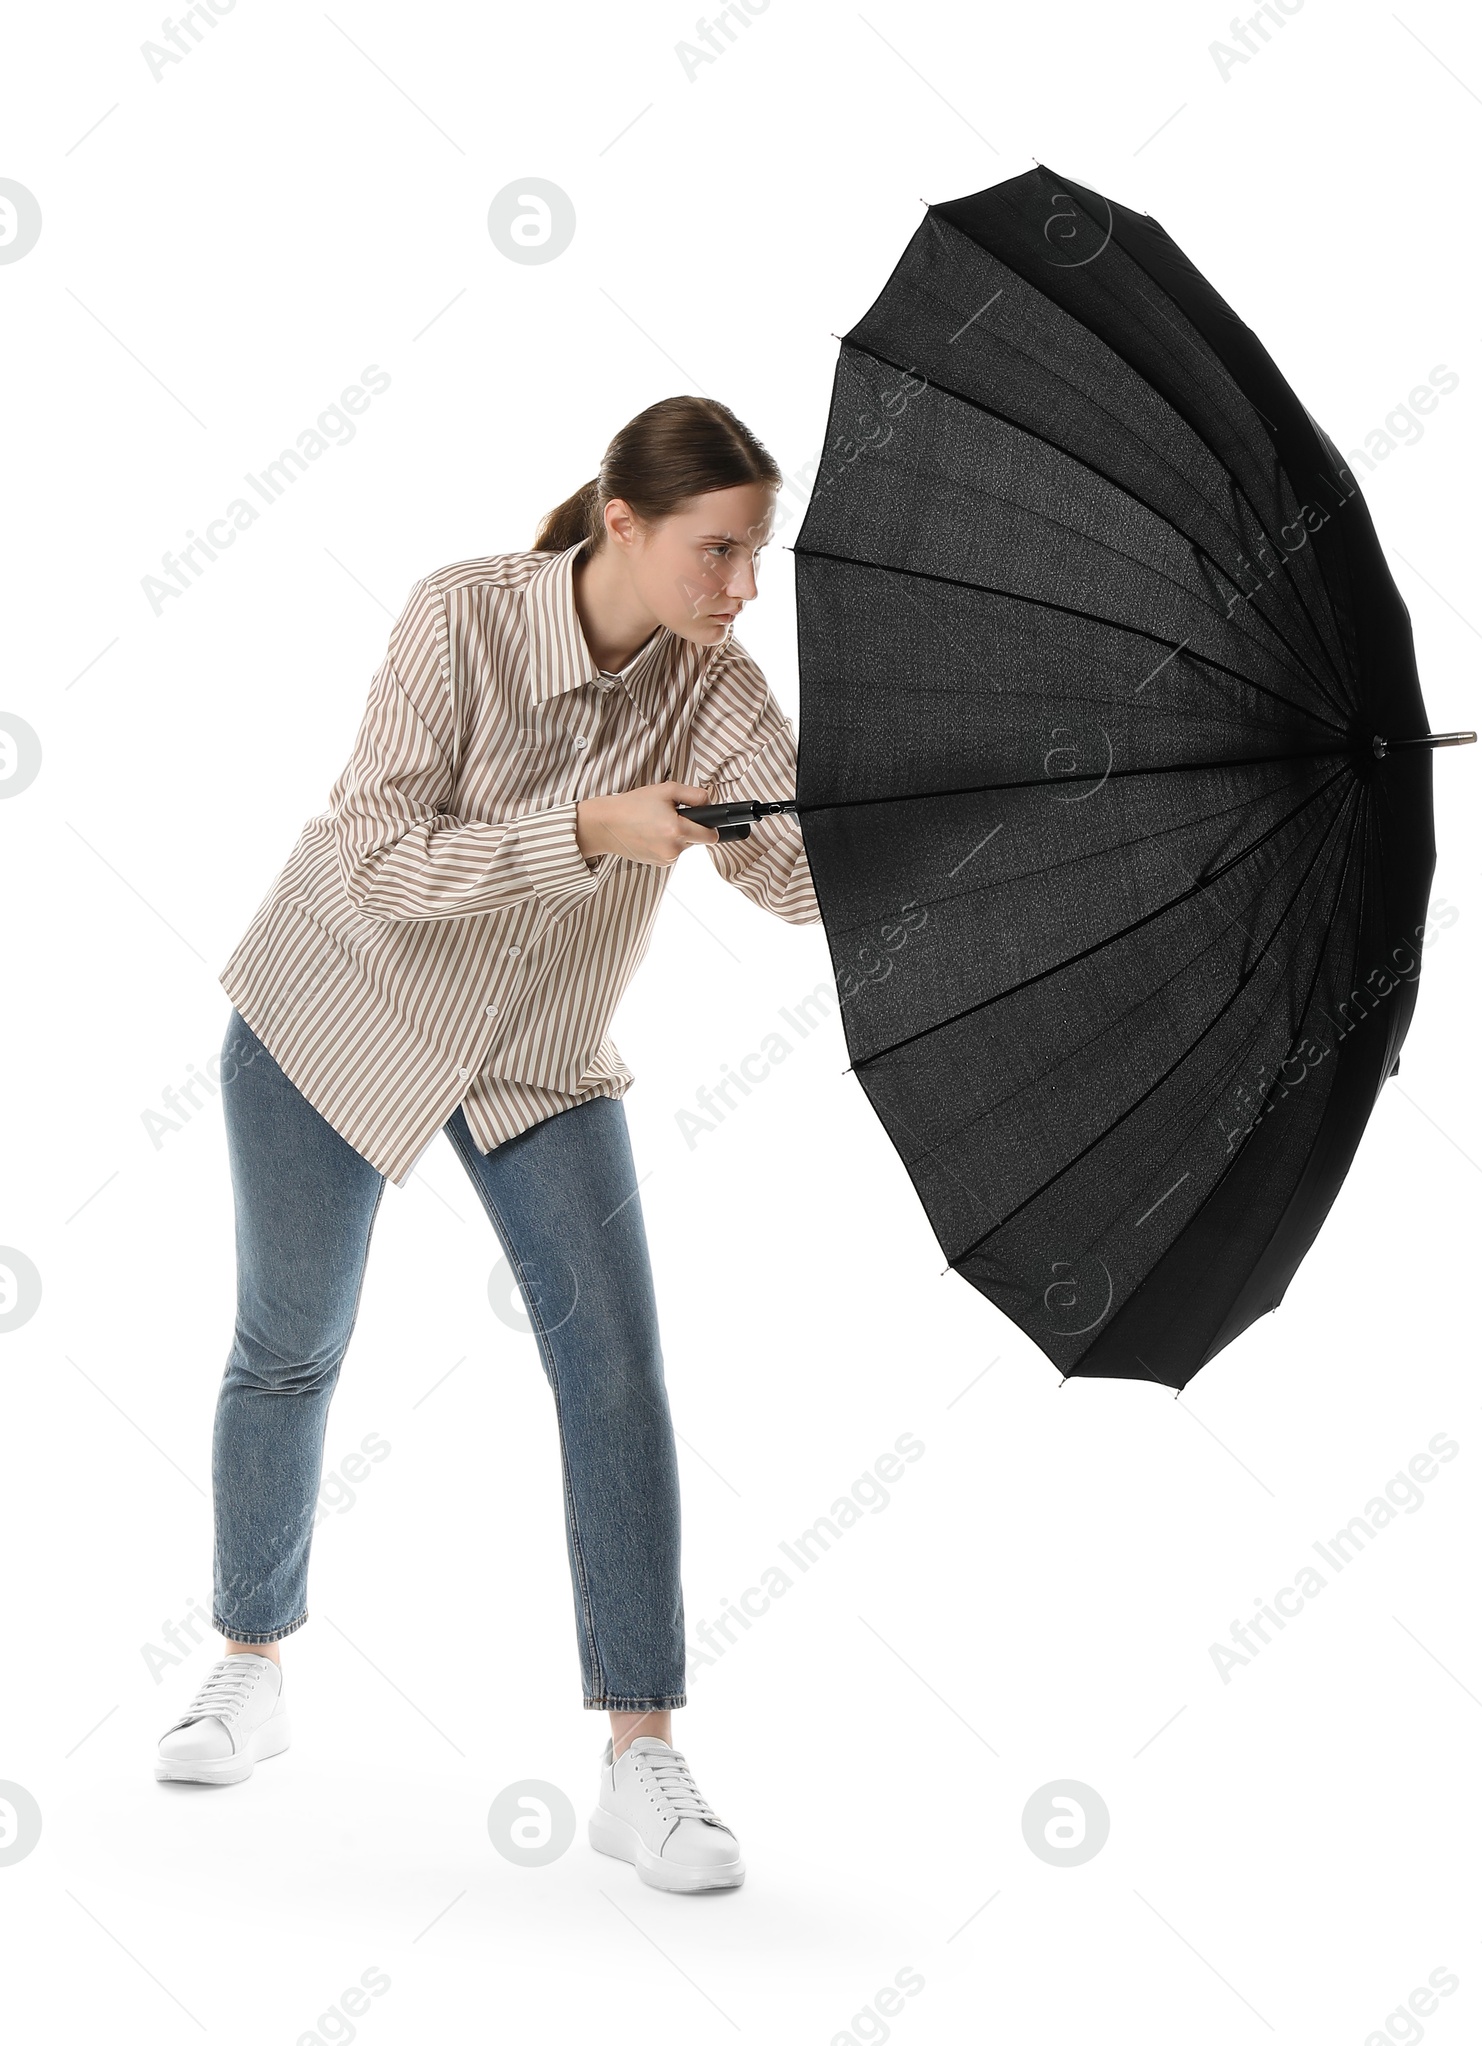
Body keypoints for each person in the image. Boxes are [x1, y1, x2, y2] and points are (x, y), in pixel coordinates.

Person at [153, 395, 821, 1895]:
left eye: (755, 554)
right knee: (289, 1342)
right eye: (719, 550)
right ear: (624, 522)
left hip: (536, 1058)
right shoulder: (459, 617)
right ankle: (247, 1659)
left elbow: (795, 885)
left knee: (617, 1374)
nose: (741, 586)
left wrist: (895, 807)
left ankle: (638, 1749)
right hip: (338, 1009)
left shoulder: (719, 693)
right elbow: (378, 861)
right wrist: (585, 829)